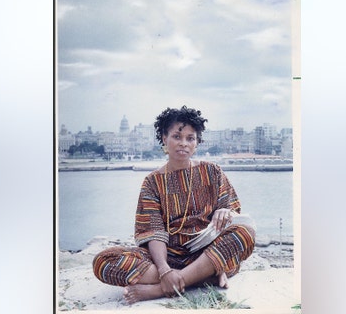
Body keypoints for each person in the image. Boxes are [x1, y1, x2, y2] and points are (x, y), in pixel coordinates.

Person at [92, 105, 255, 304]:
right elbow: (154, 231)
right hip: (168, 257)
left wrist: (224, 211)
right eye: (177, 137)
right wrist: (164, 269)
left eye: (190, 138)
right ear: (164, 138)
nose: (183, 143)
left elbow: (232, 210)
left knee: (245, 233)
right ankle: (202, 278)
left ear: (197, 142)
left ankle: (164, 288)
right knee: (103, 261)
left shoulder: (212, 172)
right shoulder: (152, 182)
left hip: (207, 253)